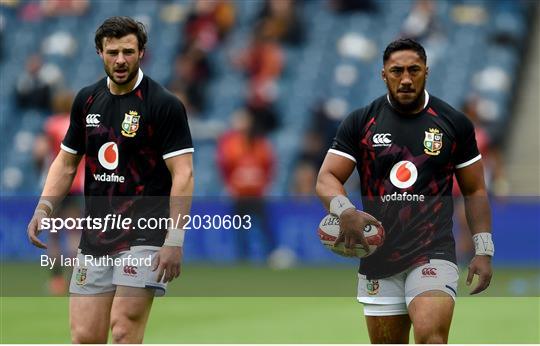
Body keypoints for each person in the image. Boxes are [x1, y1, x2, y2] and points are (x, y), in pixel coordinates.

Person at [26, 17, 194, 343]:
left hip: (146, 236)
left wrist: (174, 240)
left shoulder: (164, 105)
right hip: (97, 238)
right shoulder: (86, 100)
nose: (120, 60)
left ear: (142, 52)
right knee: (85, 337)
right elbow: (65, 162)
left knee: (123, 330)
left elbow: (184, 174)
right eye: (112, 52)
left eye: (128, 51)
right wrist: (44, 208)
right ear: (99, 52)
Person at [315, 38, 494, 344]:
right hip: (378, 256)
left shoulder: (454, 123)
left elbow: (475, 189)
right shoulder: (361, 122)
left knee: (431, 337)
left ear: (427, 71)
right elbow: (327, 177)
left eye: (414, 69)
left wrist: (484, 249)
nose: (407, 78)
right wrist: (344, 211)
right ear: (383, 74)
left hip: (432, 251)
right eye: (397, 71)